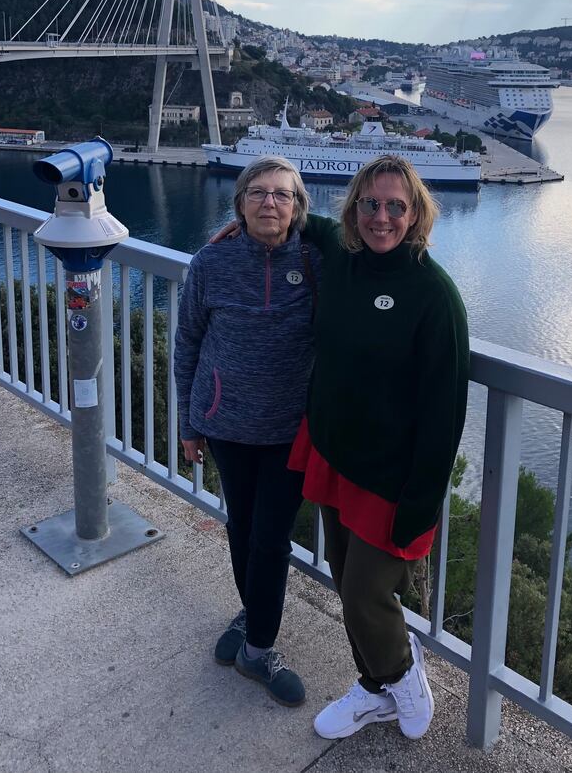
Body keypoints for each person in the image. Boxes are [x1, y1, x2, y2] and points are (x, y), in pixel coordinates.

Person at [291, 154, 470, 741]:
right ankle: (373, 688)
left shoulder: (434, 296)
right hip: (337, 456)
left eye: (396, 206)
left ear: (416, 214)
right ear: (355, 210)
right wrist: (254, 219)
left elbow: (445, 413)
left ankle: (401, 677)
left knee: (367, 594)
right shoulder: (344, 260)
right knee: (346, 582)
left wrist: (421, 503)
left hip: (393, 480)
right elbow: (307, 222)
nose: (382, 217)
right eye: (370, 204)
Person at [174, 156, 321, 708]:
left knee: (271, 538)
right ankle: (253, 616)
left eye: (283, 194)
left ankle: (256, 647)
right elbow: (187, 343)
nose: (269, 203)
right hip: (226, 424)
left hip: (289, 430)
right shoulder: (211, 262)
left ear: (298, 206)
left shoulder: (315, 261)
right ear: (239, 203)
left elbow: (364, 249)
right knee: (241, 527)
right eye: (257, 193)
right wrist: (189, 421)